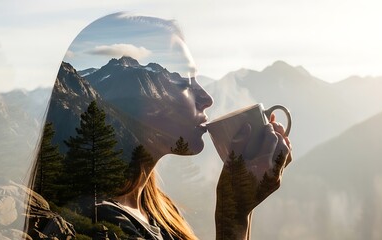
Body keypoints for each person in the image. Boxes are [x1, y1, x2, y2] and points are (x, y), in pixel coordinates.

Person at [24, 13, 292, 240]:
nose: (206, 98)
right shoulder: (103, 224)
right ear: (139, 103)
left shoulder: (156, 209)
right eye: (184, 82)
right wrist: (234, 214)